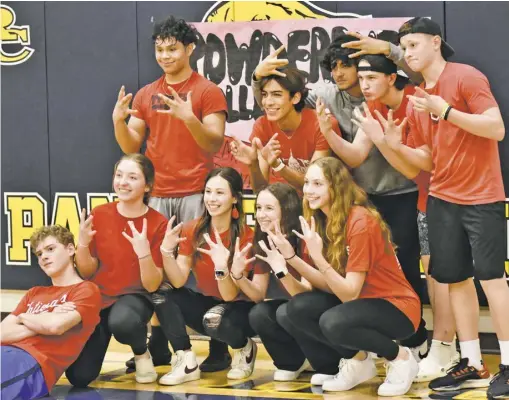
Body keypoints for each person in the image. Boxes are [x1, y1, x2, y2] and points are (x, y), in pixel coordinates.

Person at [252, 36, 428, 356]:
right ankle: (362, 346)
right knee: (351, 274)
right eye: (334, 67)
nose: (340, 73)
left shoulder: (386, 96)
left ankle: (415, 341)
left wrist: (390, 51)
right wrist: (256, 78)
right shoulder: (328, 95)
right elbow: (279, 98)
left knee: (401, 269)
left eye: (347, 65)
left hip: (401, 191)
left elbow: (419, 74)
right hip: (360, 195)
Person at [388, 17, 508, 397]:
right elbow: (425, 158)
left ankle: (507, 363)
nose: (408, 54)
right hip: (441, 198)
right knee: (455, 279)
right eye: (403, 48)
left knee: (492, 280)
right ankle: (472, 361)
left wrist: (447, 110)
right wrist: (391, 143)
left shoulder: (466, 77)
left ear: (436, 42)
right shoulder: (416, 100)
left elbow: (496, 128)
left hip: (482, 197)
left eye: (414, 45)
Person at [112, 15, 229, 371]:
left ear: (190, 49)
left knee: (202, 270)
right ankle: (160, 346)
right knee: (160, 273)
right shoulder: (148, 93)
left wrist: (188, 116)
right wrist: (118, 120)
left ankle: (219, 346)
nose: (165, 56)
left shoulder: (207, 91)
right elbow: (132, 144)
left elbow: (215, 140)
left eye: (172, 49)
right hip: (158, 193)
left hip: (197, 191)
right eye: (159, 49)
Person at [269, 157, 421, 396]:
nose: (308, 190)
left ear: (336, 186)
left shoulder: (361, 221)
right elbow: (330, 287)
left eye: (318, 183)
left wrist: (318, 258)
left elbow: (349, 293)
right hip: (358, 303)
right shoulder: (318, 221)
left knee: (333, 321)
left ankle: (401, 358)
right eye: (307, 182)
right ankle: (358, 362)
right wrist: (290, 258)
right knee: (296, 309)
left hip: (397, 307)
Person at [350, 53, 459, 381]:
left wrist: (383, 140)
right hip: (428, 196)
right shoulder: (374, 108)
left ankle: (447, 346)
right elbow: (409, 169)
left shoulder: (416, 101)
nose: (364, 85)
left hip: (450, 194)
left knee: (445, 275)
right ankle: (440, 346)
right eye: (362, 78)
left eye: (371, 78)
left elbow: (415, 165)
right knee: (434, 272)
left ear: (392, 78)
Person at [152, 167, 263, 385]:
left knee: (214, 319)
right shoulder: (193, 229)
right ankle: (185, 359)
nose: (212, 199)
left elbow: (230, 296)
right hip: (208, 304)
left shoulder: (247, 236)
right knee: (161, 293)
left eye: (220, 193)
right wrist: (166, 253)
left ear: (234, 198)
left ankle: (244, 348)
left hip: (239, 310)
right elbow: (179, 280)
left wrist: (221, 267)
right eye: (208, 192)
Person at [65, 154, 167, 386]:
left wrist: (143, 252)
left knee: (122, 322)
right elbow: (87, 271)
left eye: (132, 177)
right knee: (78, 377)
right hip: (100, 298)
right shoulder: (99, 214)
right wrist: (82, 243)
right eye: (119, 176)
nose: (123, 182)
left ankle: (142, 353)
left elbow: (152, 285)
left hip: (135, 297)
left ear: (147, 185)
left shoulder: (157, 222)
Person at [1, 225, 101, 400]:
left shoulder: (86, 290)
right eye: (39, 254)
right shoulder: (34, 292)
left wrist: (23, 318)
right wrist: (44, 319)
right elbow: (2, 333)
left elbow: (56, 326)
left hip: (32, 362)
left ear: (70, 249)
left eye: (50, 249)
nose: (44, 257)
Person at [226, 183, 313, 381]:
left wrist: (283, 271)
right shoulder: (263, 240)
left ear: (287, 210)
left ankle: (325, 358)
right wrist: (237, 275)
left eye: (269, 208)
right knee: (259, 313)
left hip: (317, 305)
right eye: (258, 208)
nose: (261, 214)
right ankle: (292, 362)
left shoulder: (303, 237)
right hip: (297, 305)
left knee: (288, 311)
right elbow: (258, 294)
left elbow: (306, 293)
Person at [230, 66, 340, 193]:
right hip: (283, 204)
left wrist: (279, 166)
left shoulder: (322, 124)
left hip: (324, 203)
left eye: (276, 95)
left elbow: (312, 187)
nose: (268, 102)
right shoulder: (262, 125)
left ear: (295, 98)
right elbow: (260, 190)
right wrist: (253, 164)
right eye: (265, 95)